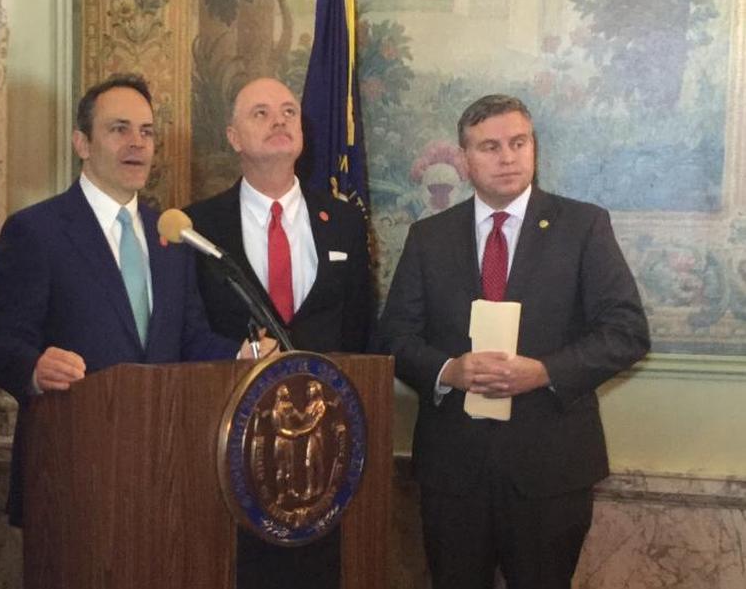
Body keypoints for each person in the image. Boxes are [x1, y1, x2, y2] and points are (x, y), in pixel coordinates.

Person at [379, 94, 650, 589]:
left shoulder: (583, 226)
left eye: (518, 142)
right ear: (464, 161)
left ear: (533, 148)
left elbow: (627, 331)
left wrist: (545, 372)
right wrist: (448, 371)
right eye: (489, 147)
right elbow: (395, 336)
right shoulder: (428, 237)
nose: (507, 157)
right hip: (453, 474)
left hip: (552, 470)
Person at [0, 74, 272, 527]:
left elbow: (187, 338)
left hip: (166, 474)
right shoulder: (37, 231)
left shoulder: (171, 235)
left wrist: (240, 354)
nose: (137, 143)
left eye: (147, 132)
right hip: (70, 474)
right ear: (82, 142)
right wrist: (34, 367)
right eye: (119, 129)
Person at [184, 76, 374, 589]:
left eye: (289, 112)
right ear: (233, 137)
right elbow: (187, 331)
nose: (280, 122)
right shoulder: (198, 227)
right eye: (261, 113)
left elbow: (360, 326)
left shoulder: (344, 223)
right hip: (233, 453)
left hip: (327, 455)